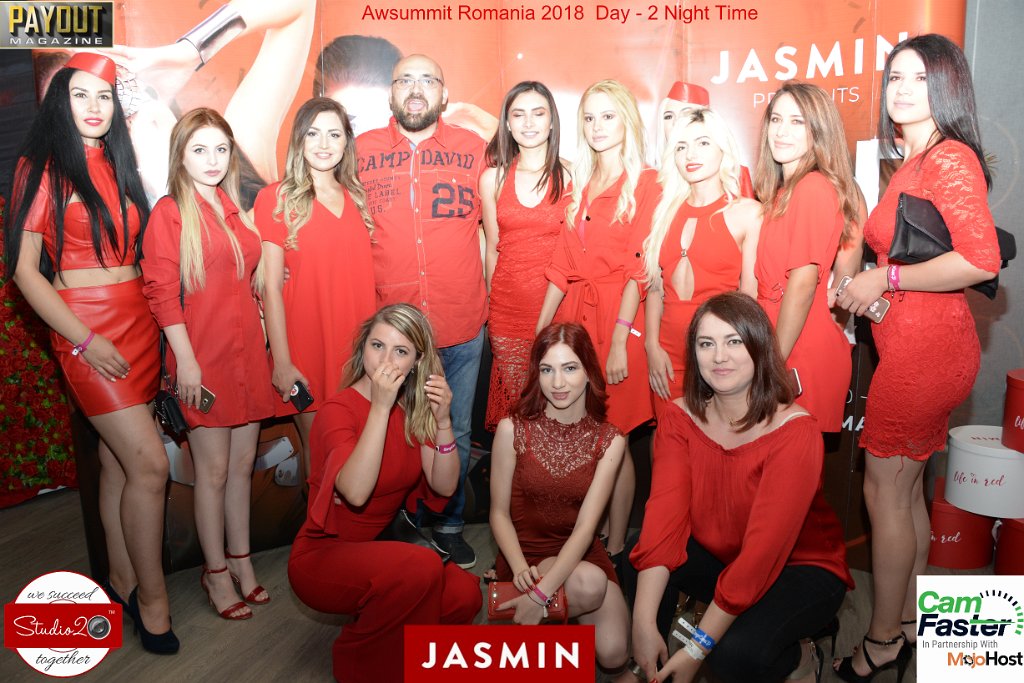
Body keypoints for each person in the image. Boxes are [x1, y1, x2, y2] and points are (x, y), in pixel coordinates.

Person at [832, 34, 1000, 682]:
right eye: (896, 77)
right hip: (918, 343)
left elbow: (980, 260)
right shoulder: (913, 159)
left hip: (926, 353)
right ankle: (907, 621)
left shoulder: (949, 157)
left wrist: (887, 278)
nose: (902, 89)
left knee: (884, 492)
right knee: (904, 493)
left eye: (920, 78)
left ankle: (880, 643)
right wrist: (869, 289)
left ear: (948, 87)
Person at [3, 53, 177, 653]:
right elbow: (25, 272)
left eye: (104, 96)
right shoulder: (40, 167)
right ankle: (153, 602)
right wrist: (82, 338)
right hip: (86, 330)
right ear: (61, 101)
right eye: (80, 94)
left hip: (138, 322)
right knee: (151, 466)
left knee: (117, 465)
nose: (94, 106)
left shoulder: (121, 163)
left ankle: (122, 581)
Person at [628, 292, 852, 683]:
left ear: (759, 346)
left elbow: (762, 555)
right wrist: (643, 626)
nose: (719, 357)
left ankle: (801, 656)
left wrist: (696, 649)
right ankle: (648, 669)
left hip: (800, 566)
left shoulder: (794, 431)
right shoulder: (679, 417)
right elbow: (664, 520)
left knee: (733, 655)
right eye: (706, 344)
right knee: (639, 563)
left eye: (734, 341)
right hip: (724, 552)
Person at [287, 303, 482, 683]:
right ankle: (365, 664)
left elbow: (444, 485)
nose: (386, 360)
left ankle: (397, 649)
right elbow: (356, 492)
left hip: (382, 551)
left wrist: (443, 421)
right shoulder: (338, 410)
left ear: (417, 362)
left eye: (401, 351)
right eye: (377, 345)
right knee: (421, 568)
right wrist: (379, 407)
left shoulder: (412, 409)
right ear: (363, 347)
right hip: (323, 557)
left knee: (464, 594)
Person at [141, 108, 276, 620]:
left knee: (242, 467)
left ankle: (241, 561)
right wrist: (187, 363)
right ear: (180, 155)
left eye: (221, 149)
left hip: (248, 356)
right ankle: (215, 571)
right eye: (199, 149)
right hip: (203, 357)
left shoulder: (231, 205)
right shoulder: (170, 212)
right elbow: (160, 293)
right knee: (214, 472)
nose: (213, 159)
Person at [355, 54, 487, 568]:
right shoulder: (360, 151)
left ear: (444, 94)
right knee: (393, 430)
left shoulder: (474, 150)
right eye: (405, 80)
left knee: (454, 428)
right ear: (390, 93)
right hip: (393, 333)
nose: (416, 89)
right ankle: (394, 522)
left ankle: (449, 525)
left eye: (428, 80)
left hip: (460, 321)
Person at [537, 79, 658, 561]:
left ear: (627, 121)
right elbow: (560, 266)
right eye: (589, 117)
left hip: (619, 320)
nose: (597, 126)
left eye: (608, 116)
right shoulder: (581, 187)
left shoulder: (648, 184)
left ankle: (615, 544)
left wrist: (619, 341)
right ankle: (592, 538)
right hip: (577, 319)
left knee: (615, 437)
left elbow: (638, 270)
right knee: (592, 436)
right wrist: (541, 332)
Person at [490, 322, 630, 675]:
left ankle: (542, 618)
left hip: (580, 555)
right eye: (547, 369)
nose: (558, 382)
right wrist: (520, 570)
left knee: (614, 654)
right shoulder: (511, 428)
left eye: (570, 368)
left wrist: (540, 598)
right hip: (523, 557)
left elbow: (586, 530)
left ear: (589, 372)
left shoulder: (610, 440)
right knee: (589, 586)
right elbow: (498, 514)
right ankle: (547, 633)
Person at [254, 97, 376, 482]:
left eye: (334, 134)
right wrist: (282, 362)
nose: (324, 144)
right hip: (307, 350)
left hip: (358, 351)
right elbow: (271, 288)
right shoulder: (276, 198)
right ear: (299, 140)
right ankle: (319, 524)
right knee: (321, 459)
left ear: (346, 143)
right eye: (313, 133)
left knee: (359, 455)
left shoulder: (357, 197)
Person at [753, 82, 860, 432]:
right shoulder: (784, 193)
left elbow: (801, 283)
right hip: (780, 339)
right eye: (776, 119)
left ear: (819, 130)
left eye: (797, 121)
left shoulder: (812, 188)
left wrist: (772, 365)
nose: (781, 131)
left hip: (797, 349)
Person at [643, 107, 761, 401]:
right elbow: (655, 288)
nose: (690, 154)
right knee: (669, 431)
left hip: (720, 358)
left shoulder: (748, 213)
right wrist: (652, 347)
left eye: (703, 143)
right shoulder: (663, 213)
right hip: (667, 359)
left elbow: (750, 298)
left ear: (723, 149)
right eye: (681, 146)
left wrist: (733, 356)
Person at [481, 81, 570, 430]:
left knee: (560, 413)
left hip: (560, 310)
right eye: (519, 114)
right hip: (507, 313)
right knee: (522, 416)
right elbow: (492, 247)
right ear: (507, 123)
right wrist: (493, 304)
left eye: (538, 113)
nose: (529, 123)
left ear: (552, 121)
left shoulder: (573, 175)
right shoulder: (493, 179)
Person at [653, 82, 754, 198]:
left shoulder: (735, 174)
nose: (676, 122)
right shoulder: (652, 179)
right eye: (668, 116)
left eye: (686, 113)